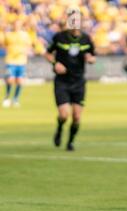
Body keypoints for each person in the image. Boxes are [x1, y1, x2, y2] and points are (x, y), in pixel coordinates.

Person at [44, 7, 96, 151]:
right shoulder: (59, 37)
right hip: (62, 81)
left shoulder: (86, 39)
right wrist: (56, 63)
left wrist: (90, 59)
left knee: (77, 117)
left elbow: (92, 56)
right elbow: (47, 54)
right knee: (64, 114)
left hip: (79, 82)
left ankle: (70, 142)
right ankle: (60, 128)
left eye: (77, 20)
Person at [1, 19, 32, 108]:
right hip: (10, 60)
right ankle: (7, 97)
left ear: (20, 26)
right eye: (15, 25)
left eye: (18, 25)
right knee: (10, 79)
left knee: (20, 81)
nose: (16, 26)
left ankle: (15, 99)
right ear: (12, 25)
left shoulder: (25, 35)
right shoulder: (8, 35)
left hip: (21, 61)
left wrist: (25, 50)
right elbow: (3, 44)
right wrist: (8, 49)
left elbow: (29, 46)